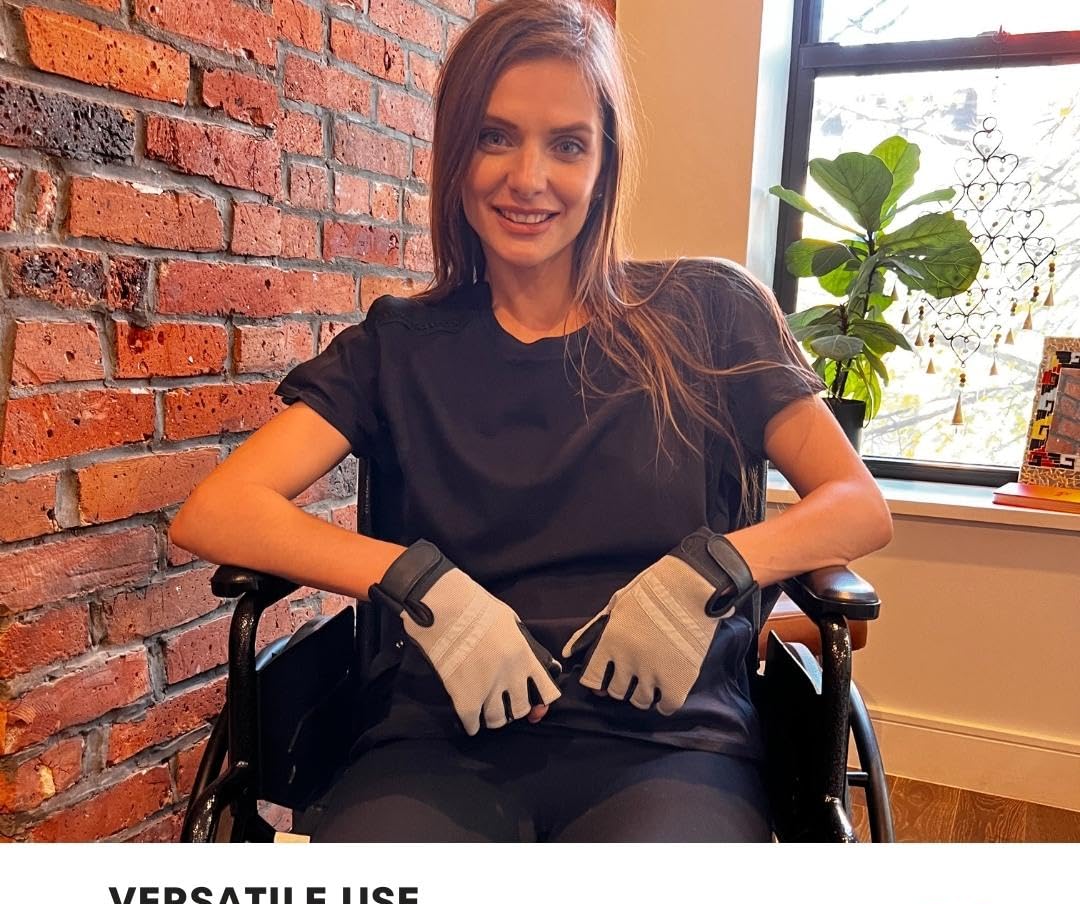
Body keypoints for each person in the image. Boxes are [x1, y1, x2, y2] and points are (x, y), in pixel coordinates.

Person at [170, 0, 893, 843]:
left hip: (668, 745)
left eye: (568, 144)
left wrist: (711, 573)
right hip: (435, 744)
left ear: (606, 162)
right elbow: (217, 511)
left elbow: (856, 506)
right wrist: (418, 585)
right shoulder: (399, 346)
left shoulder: (709, 312)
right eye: (494, 136)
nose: (527, 177)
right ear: (455, 154)